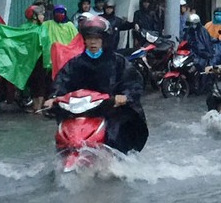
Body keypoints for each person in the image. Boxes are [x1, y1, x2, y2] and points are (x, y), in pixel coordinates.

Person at [45, 16, 148, 154]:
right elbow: (62, 81)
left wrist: (125, 96)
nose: (93, 42)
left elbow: (133, 82)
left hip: (110, 110)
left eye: (97, 38)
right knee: (64, 137)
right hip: (80, 111)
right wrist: (53, 98)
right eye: (89, 38)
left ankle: (117, 160)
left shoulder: (118, 62)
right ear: (84, 40)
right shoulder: (75, 63)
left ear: (104, 40)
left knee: (116, 133)